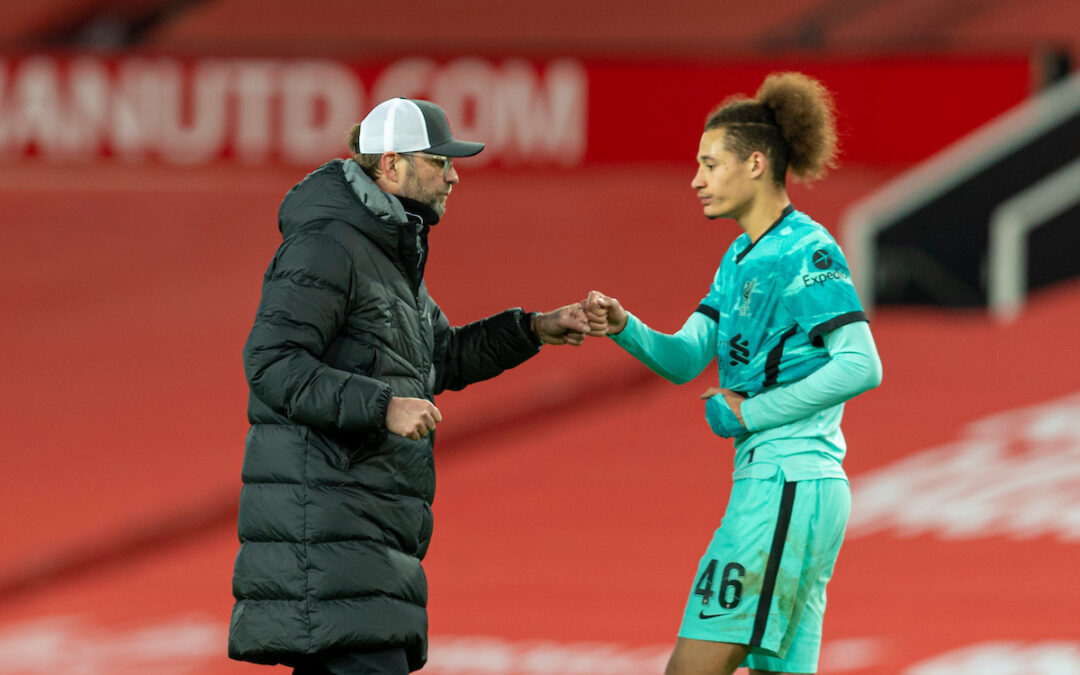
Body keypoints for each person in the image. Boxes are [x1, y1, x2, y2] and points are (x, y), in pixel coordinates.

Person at [228, 97, 590, 674]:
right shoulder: (328, 244)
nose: (453, 174)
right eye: (439, 160)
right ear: (391, 166)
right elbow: (272, 364)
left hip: (358, 540)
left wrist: (534, 329)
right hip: (329, 538)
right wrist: (383, 406)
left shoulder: (383, 252)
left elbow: (438, 357)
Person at [584, 72, 883, 675]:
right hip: (787, 484)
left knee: (691, 669)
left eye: (709, 164)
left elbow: (861, 363)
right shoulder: (740, 256)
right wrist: (624, 326)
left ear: (754, 164)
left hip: (785, 482)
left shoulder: (805, 249)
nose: (695, 179)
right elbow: (686, 358)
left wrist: (753, 412)